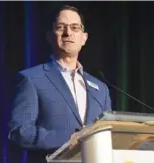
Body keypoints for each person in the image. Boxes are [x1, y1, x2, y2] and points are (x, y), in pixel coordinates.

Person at [8, 5, 112, 163]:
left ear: (84, 38)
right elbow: (19, 132)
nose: (68, 33)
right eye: (60, 27)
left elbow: (108, 134)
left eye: (75, 28)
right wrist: (68, 139)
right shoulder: (31, 79)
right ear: (49, 36)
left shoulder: (100, 89)